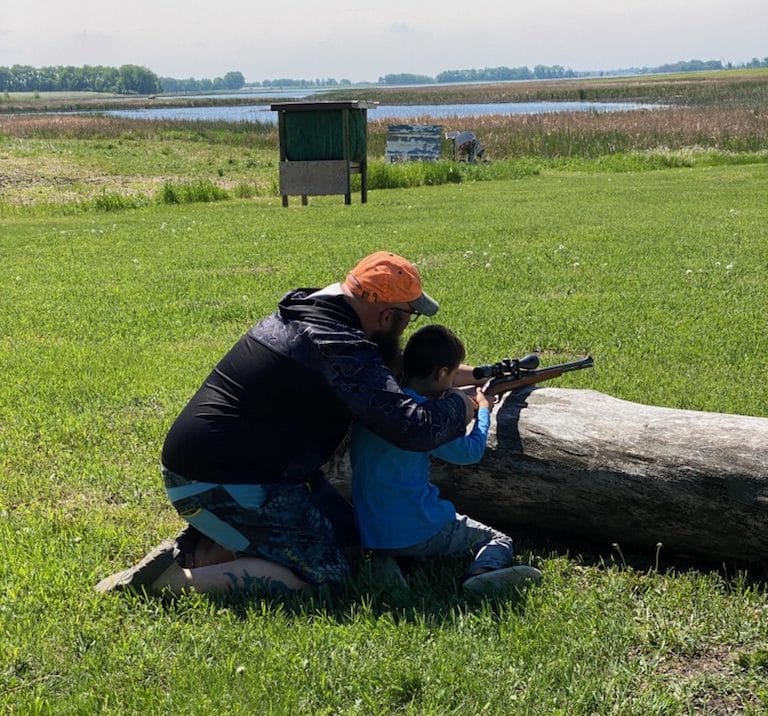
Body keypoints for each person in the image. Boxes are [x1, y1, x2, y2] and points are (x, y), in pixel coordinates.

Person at [96, 251, 480, 596]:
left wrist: (470, 374)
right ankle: (172, 583)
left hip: (233, 470)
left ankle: (204, 550)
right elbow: (411, 427)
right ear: (388, 315)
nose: (404, 329)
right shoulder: (337, 344)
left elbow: (385, 374)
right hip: (222, 481)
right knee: (326, 573)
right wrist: (463, 408)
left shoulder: (316, 315)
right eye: (406, 319)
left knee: (352, 538)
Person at [350, 324, 542, 593]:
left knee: (390, 538)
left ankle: (385, 562)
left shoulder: (379, 403)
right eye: (452, 375)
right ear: (441, 373)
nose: (453, 381)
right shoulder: (425, 420)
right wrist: (483, 411)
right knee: (498, 539)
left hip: (371, 531)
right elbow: (471, 453)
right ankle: (481, 575)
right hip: (419, 528)